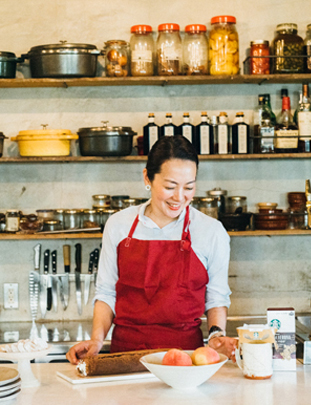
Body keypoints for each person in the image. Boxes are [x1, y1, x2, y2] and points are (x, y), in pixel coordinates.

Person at [66, 136, 237, 364]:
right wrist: (97, 340)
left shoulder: (211, 231)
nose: (179, 197)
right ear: (147, 177)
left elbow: (216, 297)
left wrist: (217, 335)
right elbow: (107, 293)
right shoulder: (118, 225)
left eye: (189, 187)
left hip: (186, 360)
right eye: (170, 187)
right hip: (125, 355)